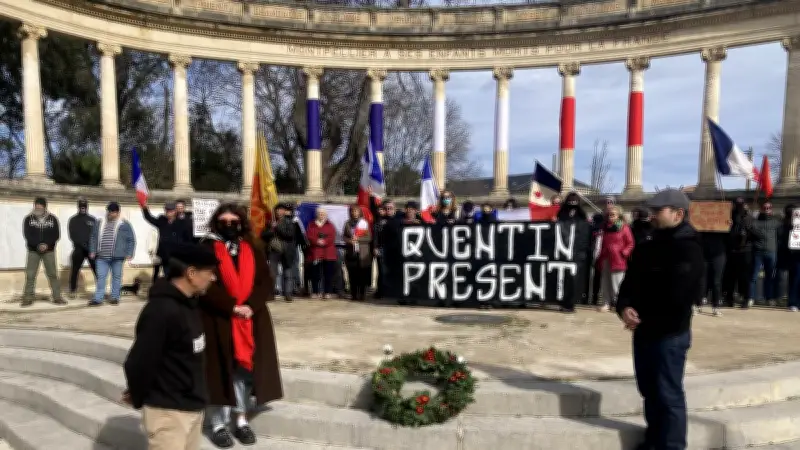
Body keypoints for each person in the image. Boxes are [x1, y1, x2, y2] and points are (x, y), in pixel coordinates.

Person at [616, 189, 704, 450]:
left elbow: (679, 296)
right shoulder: (647, 244)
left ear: (678, 214)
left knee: (668, 394)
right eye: (651, 210)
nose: (652, 215)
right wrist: (624, 307)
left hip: (669, 334)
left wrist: (642, 319)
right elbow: (629, 283)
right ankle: (654, 441)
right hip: (643, 331)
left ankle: (672, 445)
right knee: (649, 392)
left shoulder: (689, 247)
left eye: (658, 211)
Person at [200, 203, 283, 449]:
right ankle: (217, 424)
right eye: (223, 221)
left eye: (233, 221)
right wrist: (231, 306)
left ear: (241, 223)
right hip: (219, 319)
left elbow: (265, 281)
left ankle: (241, 419)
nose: (229, 225)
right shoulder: (206, 248)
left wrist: (250, 305)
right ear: (216, 223)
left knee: (244, 371)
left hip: (251, 318)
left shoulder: (253, 248)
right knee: (219, 371)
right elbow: (203, 282)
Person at [122, 244, 219, 450]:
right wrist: (139, 393)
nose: (213, 278)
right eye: (210, 272)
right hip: (168, 412)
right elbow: (139, 361)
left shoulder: (191, 304)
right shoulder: (161, 310)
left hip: (193, 407)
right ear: (191, 273)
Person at [89, 202, 136, 306]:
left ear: (118, 212)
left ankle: (114, 297)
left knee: (116, 277)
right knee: (101, 277)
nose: (111, 213)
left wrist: (129, 252)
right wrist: (92, 250)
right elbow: (93, 237)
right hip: (101, 257)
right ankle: (98, 299)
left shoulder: (124, 224)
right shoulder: (99, 222)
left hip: (117, 257)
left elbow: (131, 240)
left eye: (113, 212)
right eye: (109, 211)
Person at [22, 197, 64, 306]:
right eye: (36, 205)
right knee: (30, 274)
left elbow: (56, 234)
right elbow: (27, 235)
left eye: (40, 205)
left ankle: (57, 297)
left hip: (49, 251)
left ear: (45, 206)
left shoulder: (53, 219)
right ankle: (28, 297)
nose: (38, 207)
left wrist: (46, 244)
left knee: (53, 274)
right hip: (33, 251)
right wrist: (38, 245)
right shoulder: (28, 219)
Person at [556, 193, 591, 312]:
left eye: (574, 201)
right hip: (563, 251)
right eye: (570, 201)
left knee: (574, 279)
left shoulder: (582, 215)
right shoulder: (562, 213)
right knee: (563, 278)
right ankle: (563, 302)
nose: (572, 204)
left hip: (577, 252)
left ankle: (571, 303)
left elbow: (584, 234)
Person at [596, 205, 633, 312]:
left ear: (618, 216)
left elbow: (630, 243)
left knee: (617, 283)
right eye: (608, 215)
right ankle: (606, 303)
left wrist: (623, 253)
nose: (610, 217)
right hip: (605, 257)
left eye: (613, 215)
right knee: (605, 282)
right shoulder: (605, 227)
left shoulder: (624, 228)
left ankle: (619, 304)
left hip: (618, 258)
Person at [142, 202, 192, 282]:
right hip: (164, 254)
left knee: (177, 274)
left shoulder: (181, 222)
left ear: (175, 211)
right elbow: (150, 219)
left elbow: (187, 237)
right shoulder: (162, 220)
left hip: (177, 253)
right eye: (167, 210)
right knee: (167, 273)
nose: (168, 212)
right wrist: (144, 208)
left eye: (171, 211)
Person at [261, 203, 297, 302]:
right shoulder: (270, 222)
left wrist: (277, 227)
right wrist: (271, 229)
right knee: (272, 273)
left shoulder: (290, 222)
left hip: (286, 250)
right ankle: (270, 294)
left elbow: (289, 235)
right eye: (277, 210)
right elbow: (263, 235)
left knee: (288, 273)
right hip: (274, 250)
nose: (279, 212)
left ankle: (288, 294)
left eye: (281, 210)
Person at [751, 201, 780, 306]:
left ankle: (769, 298)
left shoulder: (776, 222)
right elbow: (751, 233)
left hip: (771, 252)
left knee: (770, 277)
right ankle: (751, 298)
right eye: (765, 207)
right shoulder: (755, 222)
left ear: (771, 209)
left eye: (769, 208)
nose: (767, 209)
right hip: (758, 252)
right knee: (753, 276)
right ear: (762, 209)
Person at [67, 198, 97, 298]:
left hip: (91, 250)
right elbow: (72, 235)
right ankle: (72, 290)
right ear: (78, 207)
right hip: (78, 249)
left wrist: (92, 247)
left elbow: (95, 235)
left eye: (84, 206)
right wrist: (82, 244)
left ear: (87, 207)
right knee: (75, 270)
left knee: (96, 269)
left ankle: (100, 290)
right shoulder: (73, 220)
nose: (83, 208)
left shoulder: (92, 219)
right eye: (81, 206)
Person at [306, 207, 338, 299]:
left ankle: (327, 292)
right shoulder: (311, 224)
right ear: (317, 214)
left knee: (328, 274)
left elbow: (332, 236)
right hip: (315, 252)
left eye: (323, 213)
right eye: (320, 213)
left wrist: (324, 241)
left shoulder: (330, 225)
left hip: (328, 253)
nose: (321, 215)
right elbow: (309, 236)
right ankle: (315, 292)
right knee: (315, 274)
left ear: (326, 214)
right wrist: (317, 241)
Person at [343, 204, 373, 301]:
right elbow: (344, 236)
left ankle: (362, 294)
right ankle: (354, 294)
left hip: (362, 253)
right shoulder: (347, 223)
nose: (354, 213)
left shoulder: (364, 223)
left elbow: (369, 238)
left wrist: (358, 239)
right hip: (351, 252)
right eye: (352, 211)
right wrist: (349, 241)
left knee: (362, 275)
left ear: (359, 212)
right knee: (352, 274)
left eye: (356, 211)